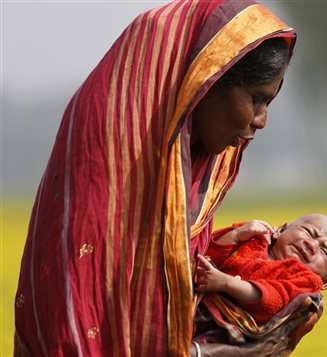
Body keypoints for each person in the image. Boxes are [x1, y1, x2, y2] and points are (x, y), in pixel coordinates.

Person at [14, 1, 296, 356]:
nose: (260, 120)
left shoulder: (190, 172)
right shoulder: (106, 165)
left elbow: (169, 279)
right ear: (204, 80)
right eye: (256, 99)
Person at [195, 214, 327, 324]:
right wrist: (235, 235)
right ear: (281, 230)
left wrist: (226, 283)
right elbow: (206, 252)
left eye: (324, 251)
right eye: (309, 232)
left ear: (325, 283)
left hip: (223, 330)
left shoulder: (305, 281)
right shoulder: (253, 236)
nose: (312, 245)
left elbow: (271, 299)